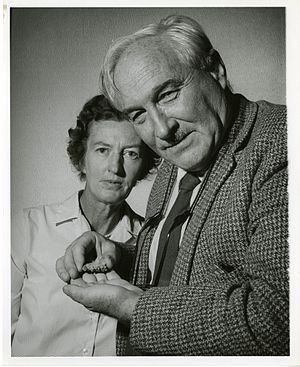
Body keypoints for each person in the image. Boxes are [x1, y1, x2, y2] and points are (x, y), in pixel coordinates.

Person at [56, 15, 288, 356]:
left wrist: (134, 308)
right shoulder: (176, 159)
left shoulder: (283, 142)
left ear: (216, 70)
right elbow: (178, 260)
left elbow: (276, 320)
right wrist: (118, 255)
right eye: (138, 115)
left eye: (167, 95)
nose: (161, 130)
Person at [11, 94, 159, 356]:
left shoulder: (153, 243)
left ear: (144, 164)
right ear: (82, 158)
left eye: (131, 153)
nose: (115, 167)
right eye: (102, 150)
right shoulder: (26, 228)